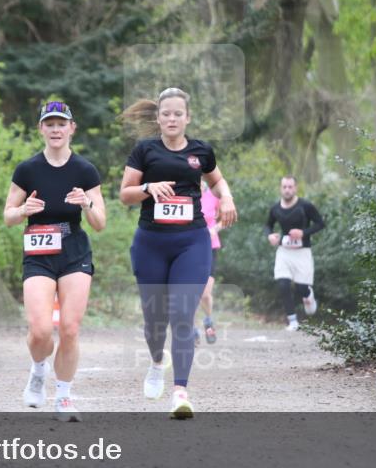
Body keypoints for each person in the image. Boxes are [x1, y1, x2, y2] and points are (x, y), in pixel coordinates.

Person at [119, 87, 237, 419]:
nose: (172, 119)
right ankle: (157, 361)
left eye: (178, 114)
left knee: (183, 316)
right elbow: (124, 194)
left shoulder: (201, 151)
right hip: (151, 243)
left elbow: (217, 182)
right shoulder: (144, 150)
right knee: (154, 321)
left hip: (192, 241)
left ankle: (180, 393)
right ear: (158, 118)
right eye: (166, 113)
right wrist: (147, 188)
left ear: (188, 118)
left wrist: (226, 198)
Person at [3, 101, 105, 421]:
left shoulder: (85, 170)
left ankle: (63, 396)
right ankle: (37, 371)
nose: (56, 129)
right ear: (41, 129)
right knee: (40, 330)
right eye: (50, 124)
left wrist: (86, 203)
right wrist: (23, 211)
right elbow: (8, 216)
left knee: (71, 329)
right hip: (39, 251)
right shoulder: (27, 169)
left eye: (62, 124)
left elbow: (100, 222)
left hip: (74, 250)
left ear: (72, 128)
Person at [264, 176, 324, 331]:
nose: (287, 190)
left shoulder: (305, 206)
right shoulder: (275, 208)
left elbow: (320, 223)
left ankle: (308, 295)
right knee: (283, 285)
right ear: (280, 188)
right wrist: (270, 236)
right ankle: (292, 321)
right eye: (284, 187)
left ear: (295, 188)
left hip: (302, 252)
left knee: (302, 288)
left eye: (290, 187)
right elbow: (268, 225)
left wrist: (303, 233)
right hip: (284, 252)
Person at [197, 178, 222, 344]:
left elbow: (223, 217)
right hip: (189, 247)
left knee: (205, 294)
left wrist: (215, 228)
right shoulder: (185, 197)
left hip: (210, 248)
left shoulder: (213, 196)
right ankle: (191, 332)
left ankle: (208, 320)